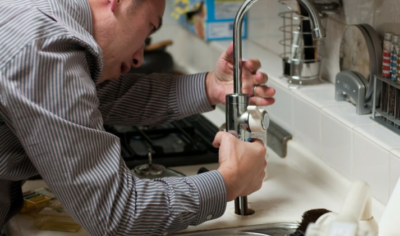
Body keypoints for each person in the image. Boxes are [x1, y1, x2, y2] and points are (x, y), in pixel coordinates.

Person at [0, 0, 276, 235]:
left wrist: (211, 87)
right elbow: (116, 212)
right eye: (149, 31)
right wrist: (229, 181)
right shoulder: (45, 48)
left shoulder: (41, 18)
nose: (138, 58)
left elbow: (101, 97)